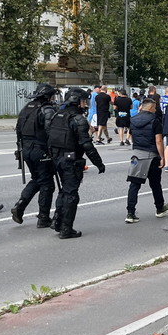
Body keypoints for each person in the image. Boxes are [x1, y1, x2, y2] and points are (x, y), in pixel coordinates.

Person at [48, 88, 106, 239]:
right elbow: (86, 145)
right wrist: (99, 163)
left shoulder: (57, 116)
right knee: (71, 194)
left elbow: (49, 137)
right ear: (77, 101)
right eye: (83, 100)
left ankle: (57, 221)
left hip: (57, 159)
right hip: (70, 161)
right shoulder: (78, 119)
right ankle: (66, 229)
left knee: (64, 191)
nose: (85, 104)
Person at [12, 83, 59, 228]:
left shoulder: (27, 108)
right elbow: (51, 131)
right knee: (47, 184)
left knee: (37, 179)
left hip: (26, 150)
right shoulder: (46, 109)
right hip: (41, 150)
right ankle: (43, 217)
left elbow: (18, 129)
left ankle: (20, 205)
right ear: (48, 96)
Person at [125, 98, 168, 223]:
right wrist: (162, 157)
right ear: (150, 108)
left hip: (137, 154)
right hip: (151, 155)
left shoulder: (133, 120)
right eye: (155, 107)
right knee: (155, 184)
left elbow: (133, 136)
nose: (156, 110)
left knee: (134, 184)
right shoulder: (155, 121)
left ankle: (130, 212)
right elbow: (159, 141)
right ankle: (160, 208)